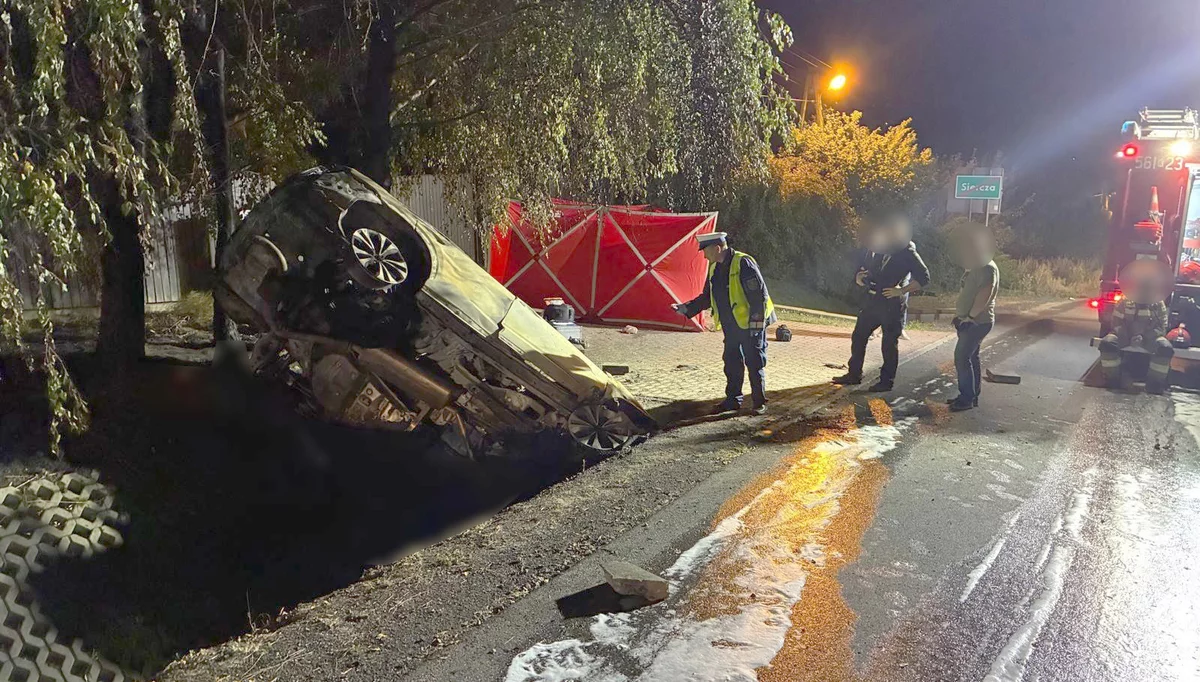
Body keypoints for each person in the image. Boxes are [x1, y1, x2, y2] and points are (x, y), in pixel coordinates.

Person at [674, 232, 776, 414]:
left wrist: (756, 326)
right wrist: (686, 308)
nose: (704, 255)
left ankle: (759, 402)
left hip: (751, 323)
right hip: (732, 325)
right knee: (732, 362)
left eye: (705, 251)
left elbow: (758, 296)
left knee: (755, 361)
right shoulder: (714, 268)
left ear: (717, 248)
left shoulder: (743, 263)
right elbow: (707, 297)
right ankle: (733, 400)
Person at [832, 216, 930, 391]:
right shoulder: (878, 247)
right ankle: (854, 374)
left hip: (892, 303)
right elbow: (867, 268)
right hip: (872, 300)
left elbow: (924, 277)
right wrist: (859, 278)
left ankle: (886, 381)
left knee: (889, 344)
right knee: (859, 335)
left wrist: (901, 291)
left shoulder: (907, 251)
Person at [1098, 258, 1174, 393]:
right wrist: (1130, 337)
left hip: (1150, 339)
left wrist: (1143, 338)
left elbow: (1161, 328)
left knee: (1165, 348)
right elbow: (1116, 324)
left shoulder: (1158, 304)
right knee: (1107, 343)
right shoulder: (1125, 301)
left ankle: (1155, 384)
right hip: (1125, 337)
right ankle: (1112, 379)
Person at [946, 225, 999, 411]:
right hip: (973, 320)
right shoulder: (978, 265)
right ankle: (971, 395)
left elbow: (985, 294)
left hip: (977, 322)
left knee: (961, 358)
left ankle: (966, 398)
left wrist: (969, 317)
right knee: (971, 357)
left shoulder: (986, 268)